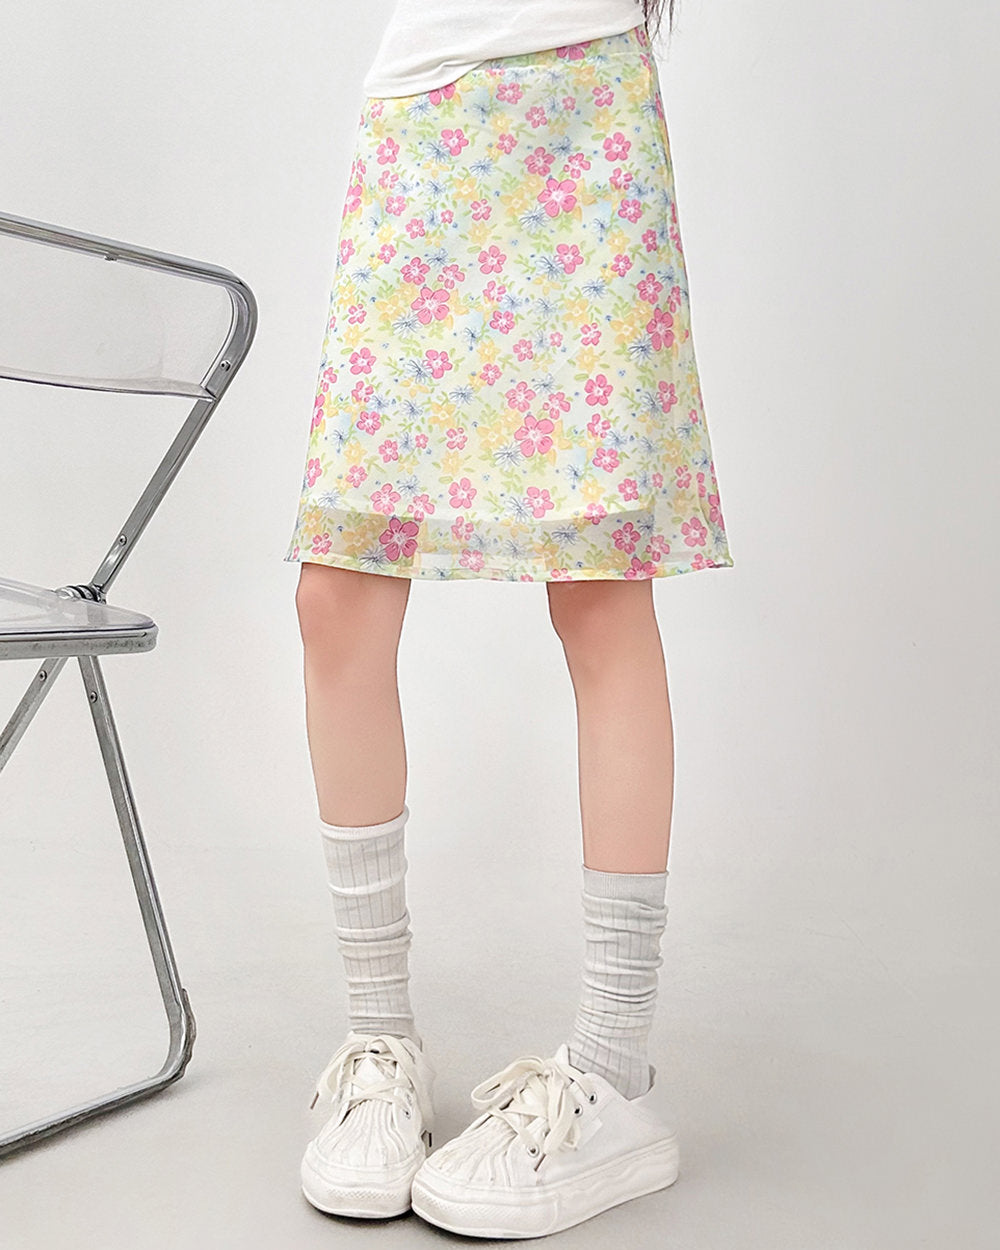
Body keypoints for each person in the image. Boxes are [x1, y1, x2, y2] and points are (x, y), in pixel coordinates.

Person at [284, 0, 733, 1236]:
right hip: (421, 118)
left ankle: (611, 1071)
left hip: (585, 113)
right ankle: (379, 1043)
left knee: (599, 592)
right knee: (336, 592)